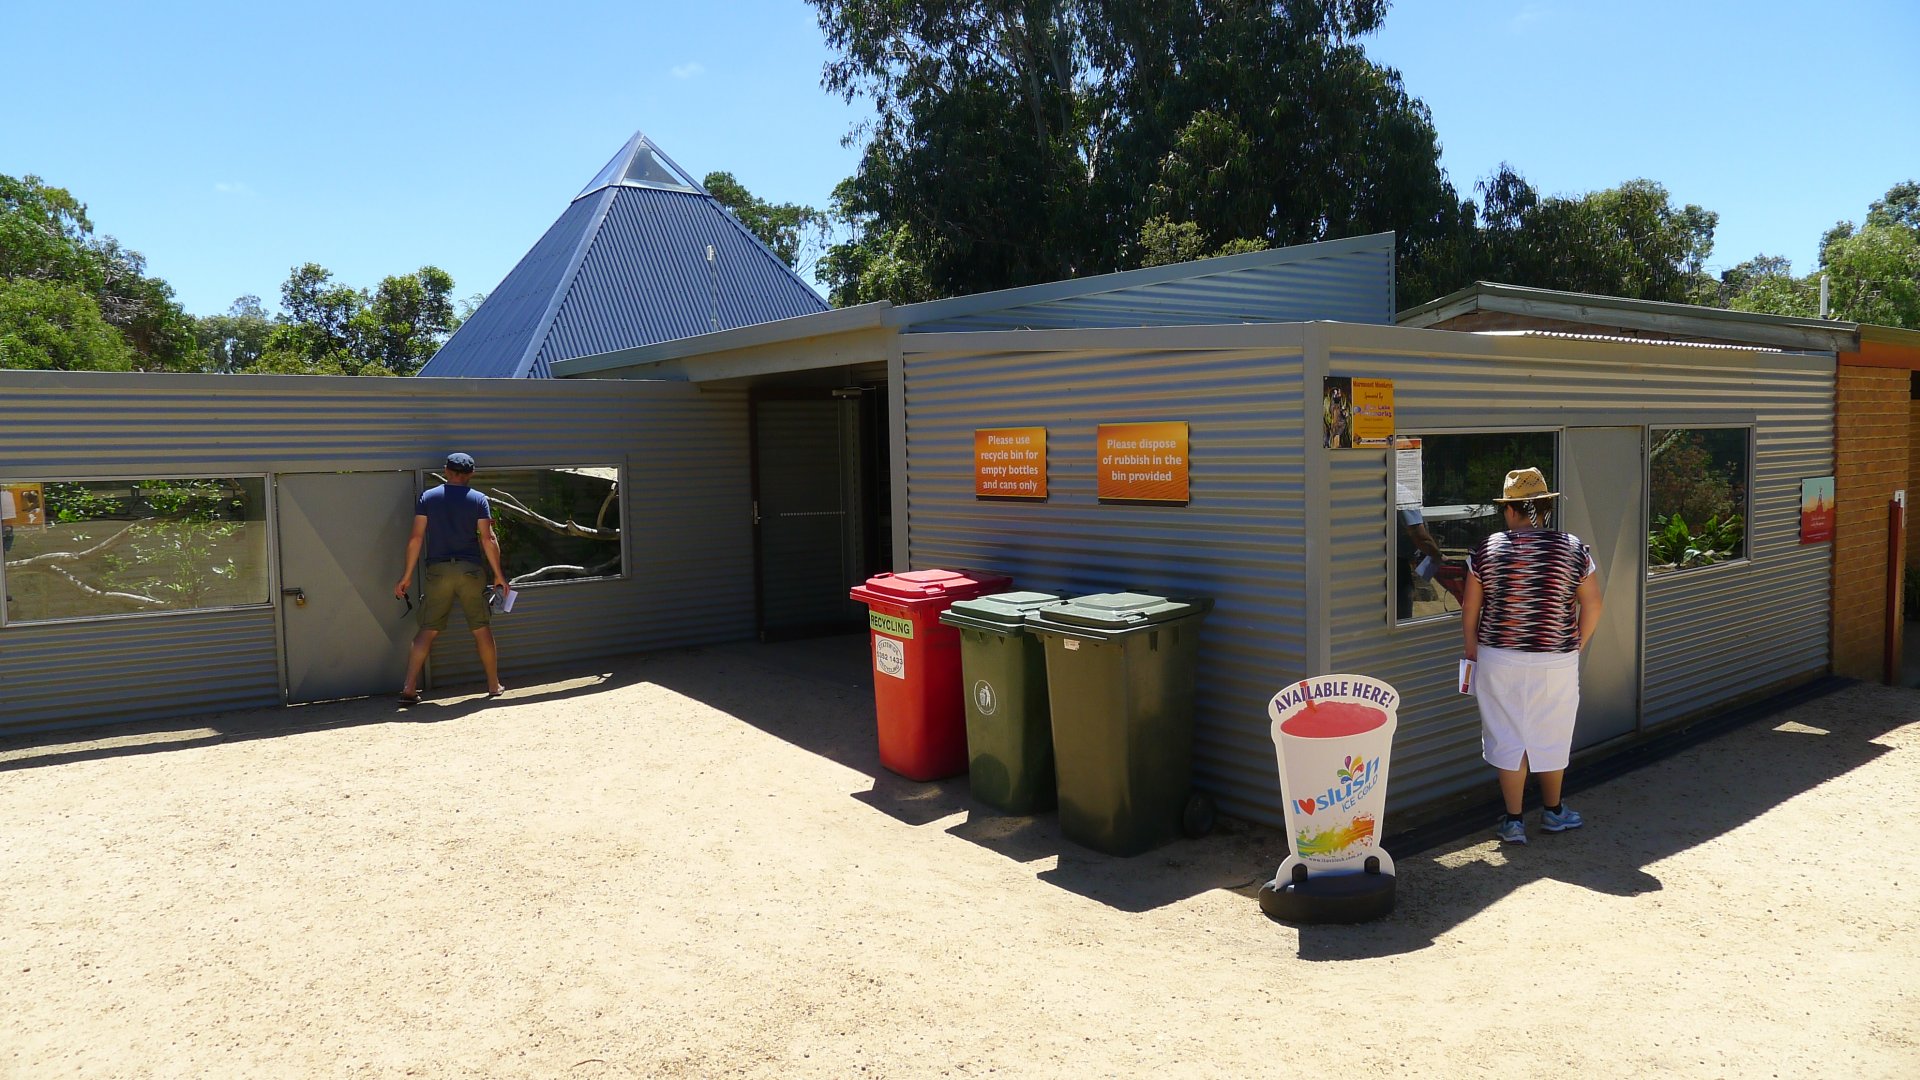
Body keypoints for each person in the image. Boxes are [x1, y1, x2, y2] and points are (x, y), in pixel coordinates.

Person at [1461, 467, 1602, 845]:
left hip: (1498, 656)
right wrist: (1576, 644)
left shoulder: (1488, 549)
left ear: (1510, 510)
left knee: (1507, 734)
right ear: (1545, 509)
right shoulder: (1573, 548)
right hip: (1556, 658)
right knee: (1552, 732)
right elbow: (1593, 605)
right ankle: (1554, 812)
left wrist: (1472, 649)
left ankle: (1513, 821)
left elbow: (1471, 609)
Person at [393, 453, 511, 704]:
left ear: (446, 470)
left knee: (428, 629)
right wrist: (499, 575)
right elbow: (488, 539)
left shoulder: (428, 497)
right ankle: (493, 685)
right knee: (481, 628)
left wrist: (406, 576)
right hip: (470, 570)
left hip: (438, 570)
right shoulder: (478, 499)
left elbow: (416, 538)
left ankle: (409, 687)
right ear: (471, 474)